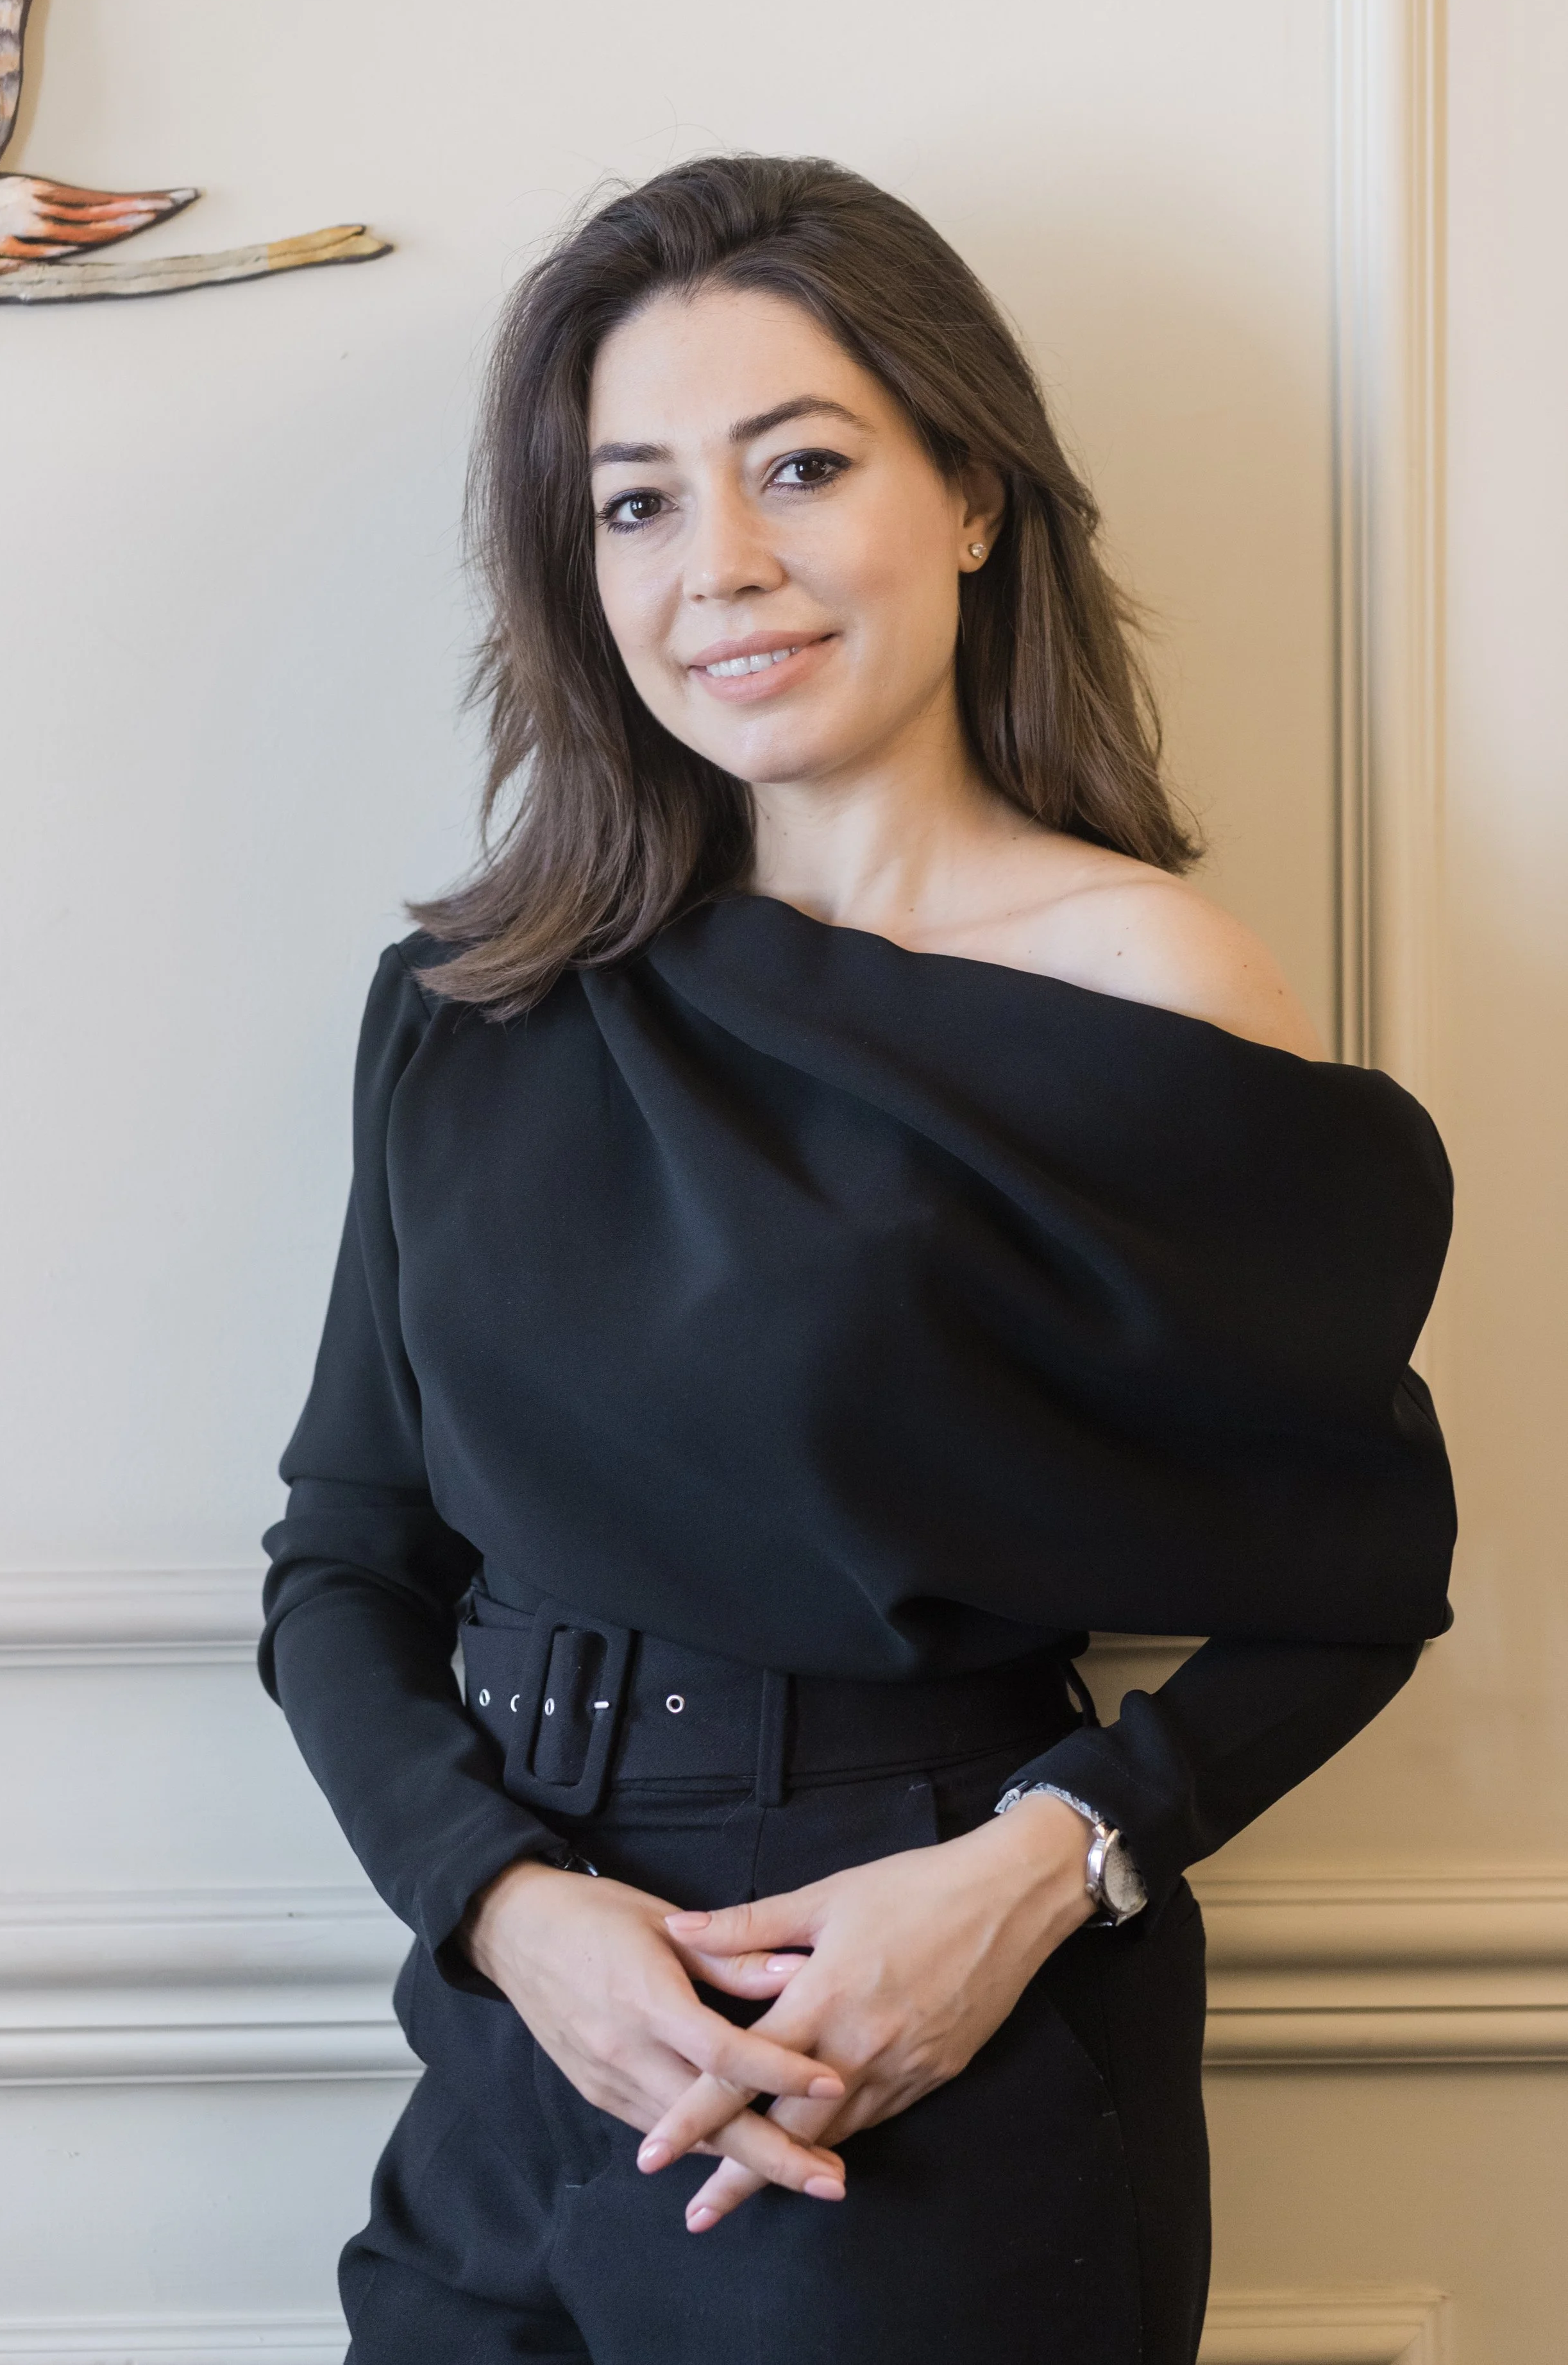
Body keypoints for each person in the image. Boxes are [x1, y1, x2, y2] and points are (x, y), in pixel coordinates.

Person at [259, 156, 1455, 2364]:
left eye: (798, 465)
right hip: (521, 2043)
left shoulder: (1146, 992)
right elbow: (346, 1554)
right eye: (634, 503)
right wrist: (505, 1909)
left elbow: (1356, 1569)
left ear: (976, 495)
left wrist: (1038, 1872)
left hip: (902, 2023)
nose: (719, 566)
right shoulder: (469, 1000)